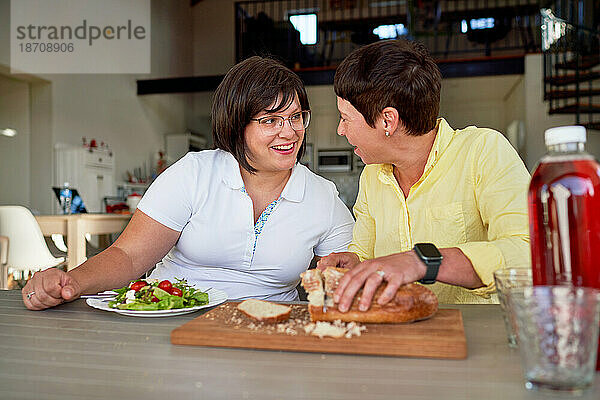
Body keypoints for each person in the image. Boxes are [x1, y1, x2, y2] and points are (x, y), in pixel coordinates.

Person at [23, 56, 354, 310]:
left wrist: (342, 271)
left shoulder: (321, 196)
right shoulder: (195, 173)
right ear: (237, 125)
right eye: (270, 120)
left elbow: (349, 267)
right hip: (172, 313)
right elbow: (128, 257)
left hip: (267, 328)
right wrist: (71, 282)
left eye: (297, 117)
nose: (290, 131)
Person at [318, 39, 530, 311]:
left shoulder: (483, 151)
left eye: (346, 118)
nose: (340, 130)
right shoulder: (372, 176)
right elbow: (364, 253)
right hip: (394, 335)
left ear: (387, 121)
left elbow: (527, 253)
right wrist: (355, 264)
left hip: (478, 335)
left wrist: (422, 261)